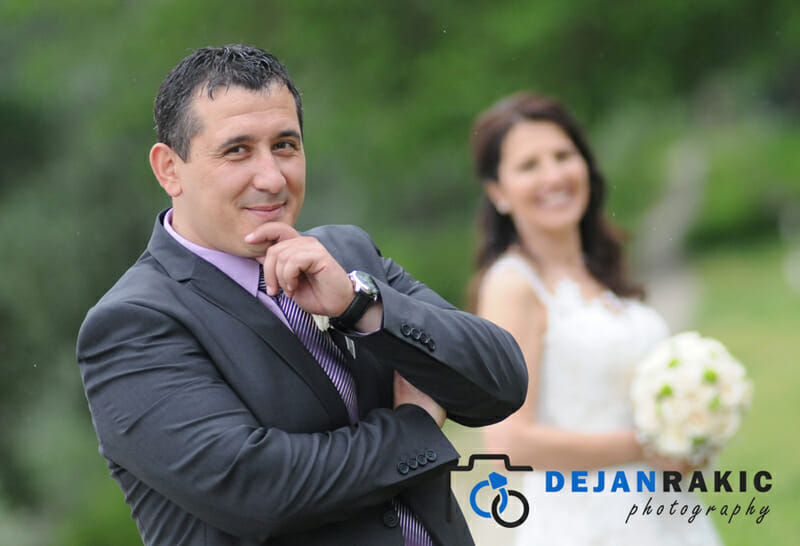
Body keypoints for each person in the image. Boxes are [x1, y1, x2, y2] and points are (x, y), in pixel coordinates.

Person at [76, 45, 527, 546]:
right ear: (168, 169)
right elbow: (259, 492)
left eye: (285, 145)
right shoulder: (131, 322)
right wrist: (415, 425)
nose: (272, 178)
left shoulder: (346, 254)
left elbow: (502, 382)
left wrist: (361, 307)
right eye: (237, 150)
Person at [469, 92, 722, 545]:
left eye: (563, 156)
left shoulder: (602, 269)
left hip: (666, 512)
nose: (553, 176)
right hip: (586, 522)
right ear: (498, 192)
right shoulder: (513, 285)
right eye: (529, 166)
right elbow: (509, 442)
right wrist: (647, 445)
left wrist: (690, 432)